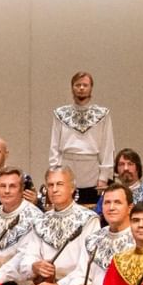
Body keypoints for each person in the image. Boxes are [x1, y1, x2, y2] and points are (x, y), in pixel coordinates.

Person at [48, 71, 114, 202]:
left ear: (91, 88)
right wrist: (54, 171)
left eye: (85, 85)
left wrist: (104, 177)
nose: (81, 88)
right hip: (66, 168)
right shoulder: (61, 114)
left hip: (92, 172)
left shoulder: (102, 115)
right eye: (78, 85)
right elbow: (54, 145)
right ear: (72, 88)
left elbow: (107, 146)